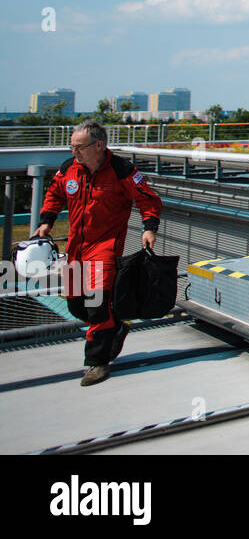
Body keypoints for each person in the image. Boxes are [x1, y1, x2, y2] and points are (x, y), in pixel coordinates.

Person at [36, 121, 161, 385]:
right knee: (77, 305)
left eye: (79, 147)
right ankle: (115, 327)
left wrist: (149, 228)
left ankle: (96, 363)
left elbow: (148, 199)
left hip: (104, 247)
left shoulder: (122, 171)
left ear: (99, 145)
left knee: (96, 306)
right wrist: (46, 221)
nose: (74, 152)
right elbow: (54, 194)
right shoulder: (68, 169)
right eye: (72, 146)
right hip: (76, 248)